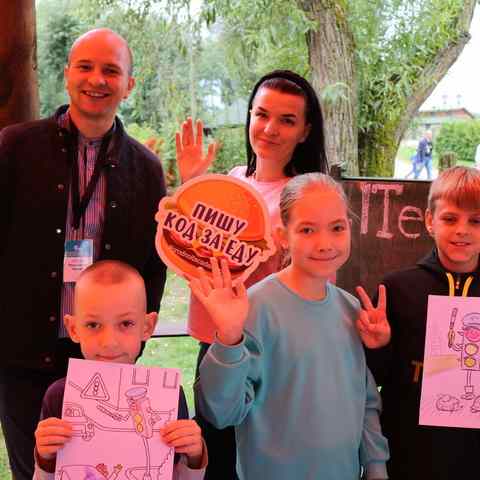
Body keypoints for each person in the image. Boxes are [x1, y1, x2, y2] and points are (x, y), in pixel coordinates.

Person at [0, 28, 167, 480]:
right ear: (67, 73)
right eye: (85, 66)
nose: (97, 79)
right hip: (23, 353)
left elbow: (153, 269)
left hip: (103, 354)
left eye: (111, 70)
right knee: (34, 468)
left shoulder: (147, 169)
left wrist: (133, 341)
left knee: (103, 470)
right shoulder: (14, 147)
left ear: (129, 85)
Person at [173, 70, 329, 479]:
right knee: (217, 457)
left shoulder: (306, 196)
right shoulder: (232, 179)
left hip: (268, 355)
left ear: (305, 131)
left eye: (287, 120)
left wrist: (288, 260)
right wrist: (192, 187)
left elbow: (317, 287)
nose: (270, 129)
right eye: (262, 114)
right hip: (214, 345)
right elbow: (192, 252)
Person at [191, 173, 390, 480]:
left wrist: (376, 467)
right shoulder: (255, 308)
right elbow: (221, 412)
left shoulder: (351, 309)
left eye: (337, 228)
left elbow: (364, 400)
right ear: (283, 236)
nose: (325, 244)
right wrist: (229, 338)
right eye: (307, 230)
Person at [33, 260, 207, 480]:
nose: (109, 342)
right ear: (74, 329)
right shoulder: (58, 396)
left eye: (125, 324)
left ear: (147, 326)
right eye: (93, 325)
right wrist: (46, 458)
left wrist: (194, 456)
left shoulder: (169, 397)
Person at [365, 166, 480, 479]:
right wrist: (378, 345)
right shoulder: (396, 289)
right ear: (430, 220)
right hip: (407, 451)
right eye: (450, 218)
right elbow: (373, 377)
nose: (462, 230)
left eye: (476, 221)